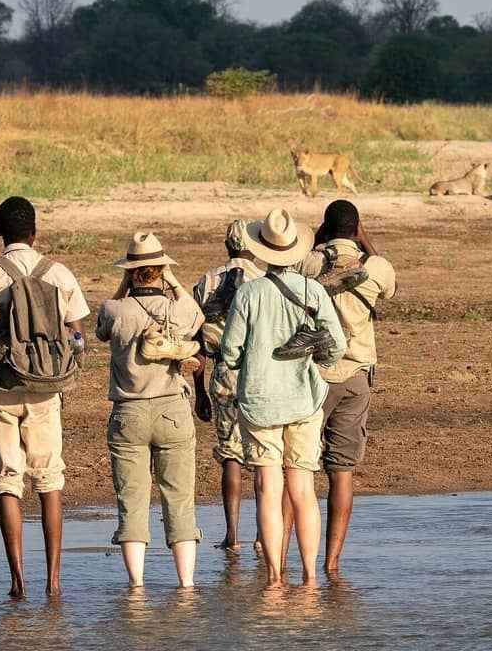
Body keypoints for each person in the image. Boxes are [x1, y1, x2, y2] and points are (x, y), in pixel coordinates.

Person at [0, 196, 89, 598]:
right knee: (50, 479)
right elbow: (78, 337)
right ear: (34, 232)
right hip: (46, 387)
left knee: (7, 479)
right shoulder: (58, 273)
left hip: (2, 384)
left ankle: (18, 582)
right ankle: (54, 583)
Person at [219, 208, 346, 586]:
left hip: (259, 402)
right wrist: (315, 358)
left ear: (263, 250)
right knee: (303, 490)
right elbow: (337, 347)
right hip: (303, 399)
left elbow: (230, 352)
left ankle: (274, 578)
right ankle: (310, 577)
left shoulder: (248, 293)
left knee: (268, 490)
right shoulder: (313, 291)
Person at [96, 232, 205, 588]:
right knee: (180, 500)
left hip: (128, 412)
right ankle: (186, 585)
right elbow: (197, 313)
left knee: (131, 502)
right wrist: (172, 280)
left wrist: (123, 285)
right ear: (160, 270)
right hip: (172, 409)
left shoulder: (114, 309)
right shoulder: (176, 309)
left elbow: (103, 329)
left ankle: (137, 587)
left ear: (130, 272)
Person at [300, 199, 396, 572]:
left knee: (299, 470)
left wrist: (318, 242)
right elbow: (390, 285)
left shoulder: (309, 264)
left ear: (325, 228)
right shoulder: (376, 268)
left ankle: (289, 560)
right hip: (356, 375)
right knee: (341, 471)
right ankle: (331, 563)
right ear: (356, 229)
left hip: (314, 377)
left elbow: (295, 267)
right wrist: (365, 240)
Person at [191, 220, 264, 553]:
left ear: (227, 246)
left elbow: (196, 342)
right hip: (259, 372)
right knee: (263, 454)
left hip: (223, 371)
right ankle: (263, 535)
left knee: (230, 454)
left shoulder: (206, 281)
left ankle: (232, 535)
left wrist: (199, 391)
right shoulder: (264, 280)